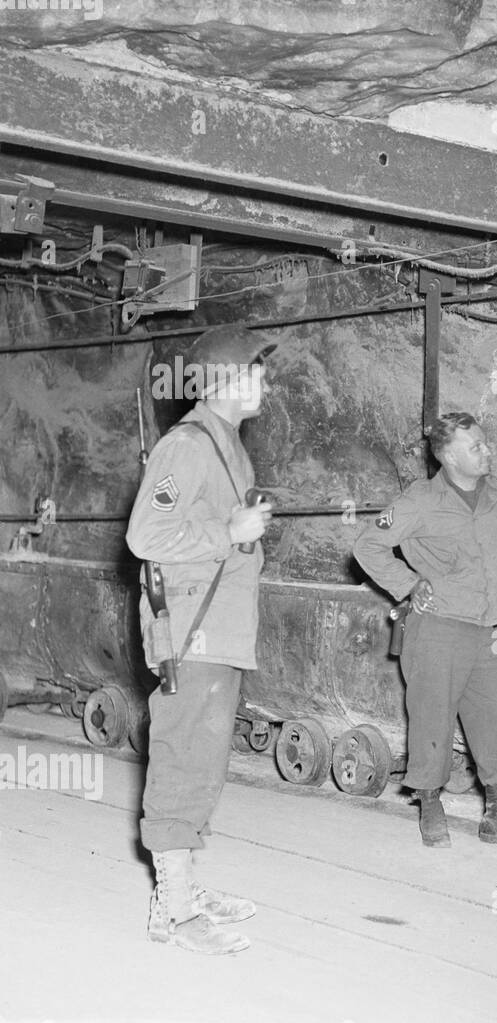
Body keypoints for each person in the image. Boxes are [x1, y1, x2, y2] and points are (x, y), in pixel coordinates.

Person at [126, 324, 276, 955]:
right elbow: (145, 536)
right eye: (256, 370)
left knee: (205, 762)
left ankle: (180, 892)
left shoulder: (227, 445)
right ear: (226, 382)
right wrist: (228, 528)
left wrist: (235, 527)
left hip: (221, 630)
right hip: (193, 631)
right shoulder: (187, 446)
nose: (265, 380)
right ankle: (176, 914)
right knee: (185, 760)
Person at [353, 413, 497, 850]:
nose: (488, 452)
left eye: (486, 444)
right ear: (449, 456)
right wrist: (410, 584)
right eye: (477, 447)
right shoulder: (421, 500)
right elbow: (367, 546)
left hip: (488, 631)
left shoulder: (496, 496)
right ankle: (431, 808)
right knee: (432, 717)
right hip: (438, 629)